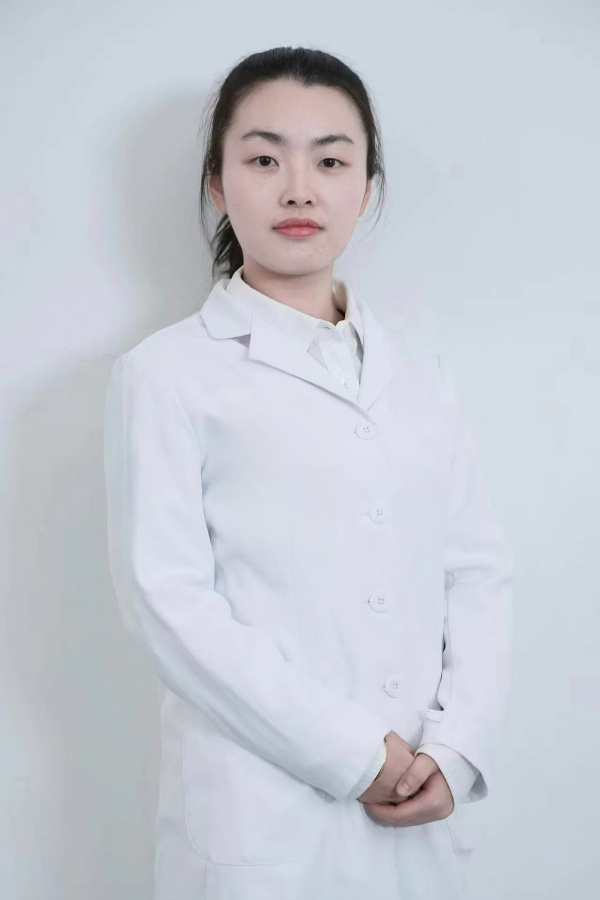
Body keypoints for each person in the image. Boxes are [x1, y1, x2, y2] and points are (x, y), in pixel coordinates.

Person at [103, 46, 514, 900]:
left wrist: (457, 748)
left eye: (331, 161)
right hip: (259, 826)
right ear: (218, 185)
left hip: (419, 817)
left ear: (367, 185)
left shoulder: (420, 371)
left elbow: (475, 572)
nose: (299, 190)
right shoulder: (168, 374)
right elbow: (169, 604)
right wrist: (355, 754)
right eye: (264, 160)